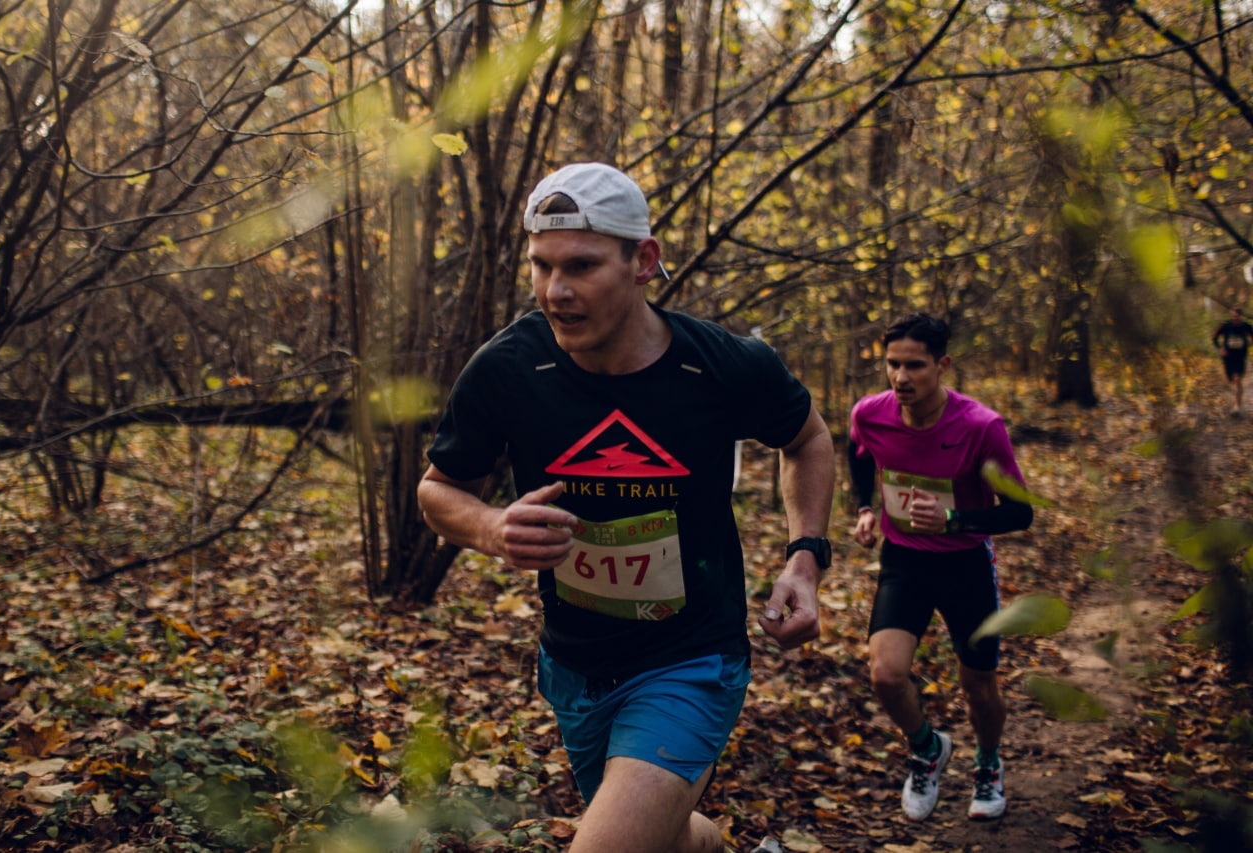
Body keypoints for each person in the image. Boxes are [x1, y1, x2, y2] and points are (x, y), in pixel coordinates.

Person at [417, 162, 835, 853]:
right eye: (541, 266)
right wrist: (491, 527)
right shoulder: (509, 369)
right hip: (574, 666)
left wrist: (804, 559)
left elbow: (810, 438)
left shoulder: (721, 365)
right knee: (662, 836)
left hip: (691, 658)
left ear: (644, 260)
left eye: (580, 266)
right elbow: (437, 489)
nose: (556, 291)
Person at [847, 313, 1033, 823]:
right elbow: (859, 454)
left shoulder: (980, 427)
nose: (901, 378)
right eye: (892, 365)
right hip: (904, 559)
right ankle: (928, 748)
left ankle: (989, 764)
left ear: (943, 365)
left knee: (978, 686)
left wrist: (955, 519)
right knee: (886, 676)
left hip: (965, 564)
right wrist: (865, 507)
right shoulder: (871, 413)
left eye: (915, 366)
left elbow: (1021, 511)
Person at [1211, 306, 1253, 415]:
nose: (1235, 318)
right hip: (1228, 357)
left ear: (1241, 316)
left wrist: (1249, 343)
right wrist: (1220, 348)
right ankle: (1233, 400)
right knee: (1231, 380)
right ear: (1231, 315)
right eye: (1233, 316)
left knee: (1238, 379)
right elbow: (1214, 337)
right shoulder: (1226, 325)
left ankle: (1237, 406)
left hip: (1240, 357)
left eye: (1237, 316)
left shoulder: (1246, 326)